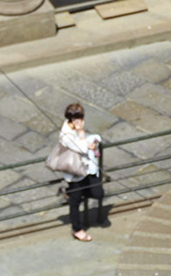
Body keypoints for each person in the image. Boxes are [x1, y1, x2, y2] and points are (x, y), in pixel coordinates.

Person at [59, 103, 105, 242]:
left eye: (80, 117)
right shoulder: (65, 134)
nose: (78, 121)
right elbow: (80, 148)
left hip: (88, 170)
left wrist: (90, 141)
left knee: (98, 193)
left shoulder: (76, 129)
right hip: (75, 173)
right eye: (75, 118)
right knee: (75, 203)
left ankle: (70, 193)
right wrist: (81, 133)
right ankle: (77, 229)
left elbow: (86, 142)